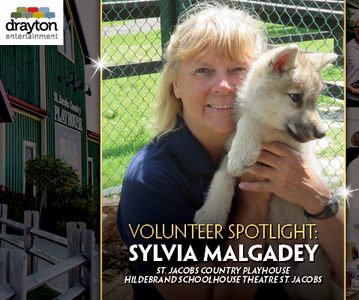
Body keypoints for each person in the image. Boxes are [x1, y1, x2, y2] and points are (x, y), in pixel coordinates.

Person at [116, 4, 344, 300]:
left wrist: (318, 199)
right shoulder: (151, 180)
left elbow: (344, 268)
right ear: (176, 86)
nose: (223, 86)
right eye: (202, 70)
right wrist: (256, 195)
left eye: (238, 69)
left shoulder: (286, 146)